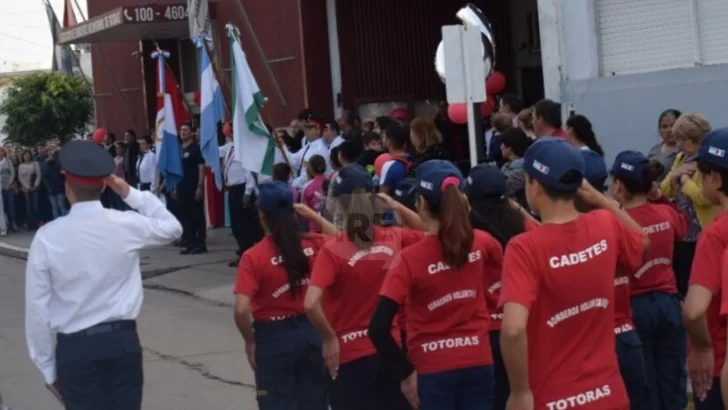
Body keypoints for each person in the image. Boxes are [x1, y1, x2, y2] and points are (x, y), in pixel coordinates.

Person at [25, 140, 182, 410]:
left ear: (67, 188)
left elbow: (37, 309)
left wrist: (48, 369)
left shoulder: (47, 237)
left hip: (75, 350)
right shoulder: (125, 224)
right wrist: (131, 193)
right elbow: (173, 228)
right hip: (121, 343)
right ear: (103, 185)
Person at [499, 137, 648, 409]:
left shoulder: (524, 247)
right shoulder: (604, 223)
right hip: (609, 394)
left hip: (553, 398)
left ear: (535, 186)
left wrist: (520, 392)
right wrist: (602, 200)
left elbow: (512, 329)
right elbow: (642, 241)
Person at [370, 160, 502, 410]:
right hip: (479, 360)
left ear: (420, 203)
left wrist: (405, 372)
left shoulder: (409, 260)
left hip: (431, 369)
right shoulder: (483, 243)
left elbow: (377, 327)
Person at [303, 164, 420, 410]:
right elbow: (430, 233)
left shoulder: (333, 250)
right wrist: (396, 206)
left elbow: (311, 303)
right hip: (391, 350)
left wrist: (329, 337)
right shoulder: (394, 237)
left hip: (349, 356)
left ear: (338, 204)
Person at [233, 182, 329, 410]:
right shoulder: (313, 243)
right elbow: (350, 243)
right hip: (312, 333)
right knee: (315, 401)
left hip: (273, 338)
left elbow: (240, 308)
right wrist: (315, 217)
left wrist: (250, 340)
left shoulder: (253, 256)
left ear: (261, 215)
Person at [609, 150, 688, 410]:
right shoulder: (665, 214)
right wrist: (661, 197)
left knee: (644, 389)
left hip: (634, 309)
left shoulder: (615, 224)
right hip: (669, 305)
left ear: (618, 185)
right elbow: (683, 226)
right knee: (673, 383)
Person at [465, 164, 539, 410]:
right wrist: (518, 208)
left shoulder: (466, 235)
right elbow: (541, 231)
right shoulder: (524, 226)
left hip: (486, 334)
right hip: (525, 327)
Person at [682, 128, 728, 409]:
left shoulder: (715, 234)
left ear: (714, 177)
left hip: (718, 366)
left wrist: (702, 347)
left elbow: (695, 309)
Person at [660, 113, 719, 296]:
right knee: (684, 282)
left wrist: (685, 180)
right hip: (683, 233)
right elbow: (664, 189)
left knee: (705, 281)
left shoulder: (708, 161)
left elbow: (705, 198)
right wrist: (677, 173)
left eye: (682, 140)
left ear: (694, 140)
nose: (679, 144)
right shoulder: (681, 158)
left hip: (703, 230)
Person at [177, 122, 207, 255]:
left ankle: (200, 243)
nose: (183, 132)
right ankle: (190, 242)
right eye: (181, 130)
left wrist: (200, 186)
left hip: (193, 186)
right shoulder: (178, 149)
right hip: (181, 187)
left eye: (185, 130)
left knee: (197, 215)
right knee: (185, 216)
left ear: (191, 133)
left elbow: (201, 167)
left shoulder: (196, 148)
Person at [647, 109, 682, 179]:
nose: (669, 130)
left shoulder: (684, 150)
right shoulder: (655, 149)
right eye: (664, 127)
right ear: (659, 130)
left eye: (672, 125)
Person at [379, 124, 411, 195]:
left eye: (384, 137)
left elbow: (383, 196)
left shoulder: (389, 165)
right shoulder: (412, 160)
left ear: (388, 142)